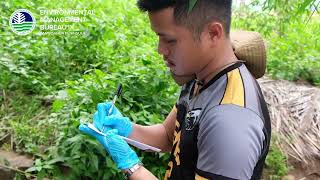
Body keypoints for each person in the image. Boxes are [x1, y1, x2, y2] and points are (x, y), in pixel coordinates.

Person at [79, 0, 271, 179]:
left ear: (213, 33)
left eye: (169, 40)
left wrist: (131, 166)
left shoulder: (230, 121)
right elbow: (168, 135)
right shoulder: (197, 76)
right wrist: (126, 129)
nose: (160, 50)